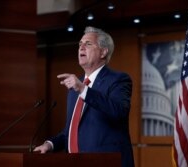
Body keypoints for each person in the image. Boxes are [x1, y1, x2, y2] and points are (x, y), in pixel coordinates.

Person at [34, 26, 135, 167]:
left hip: (106, 162)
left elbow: (119, 111)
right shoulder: (76, 85)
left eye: (88, 44)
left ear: (103, 52)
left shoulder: (118, 79)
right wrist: (50, 144)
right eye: (80, 44)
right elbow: (72, 130)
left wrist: (83, 89)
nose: (81, 47)